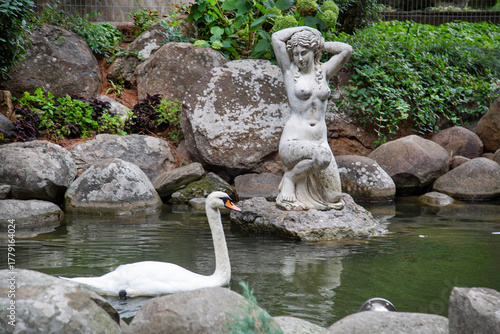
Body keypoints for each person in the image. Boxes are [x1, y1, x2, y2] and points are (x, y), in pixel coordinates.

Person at [272, 26, 352, 211]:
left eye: (304, 52)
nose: (300, 58)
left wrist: (320, 42)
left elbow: (346, 50)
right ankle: (290, 178)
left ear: (313, 51)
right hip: (293, 142)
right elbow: (276, 37)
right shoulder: (290, 72)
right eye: (296, 53)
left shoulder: (323, 71)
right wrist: (305, 28)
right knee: (322, 157)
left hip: (320, 143)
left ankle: (300, 182)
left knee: (334, 198)